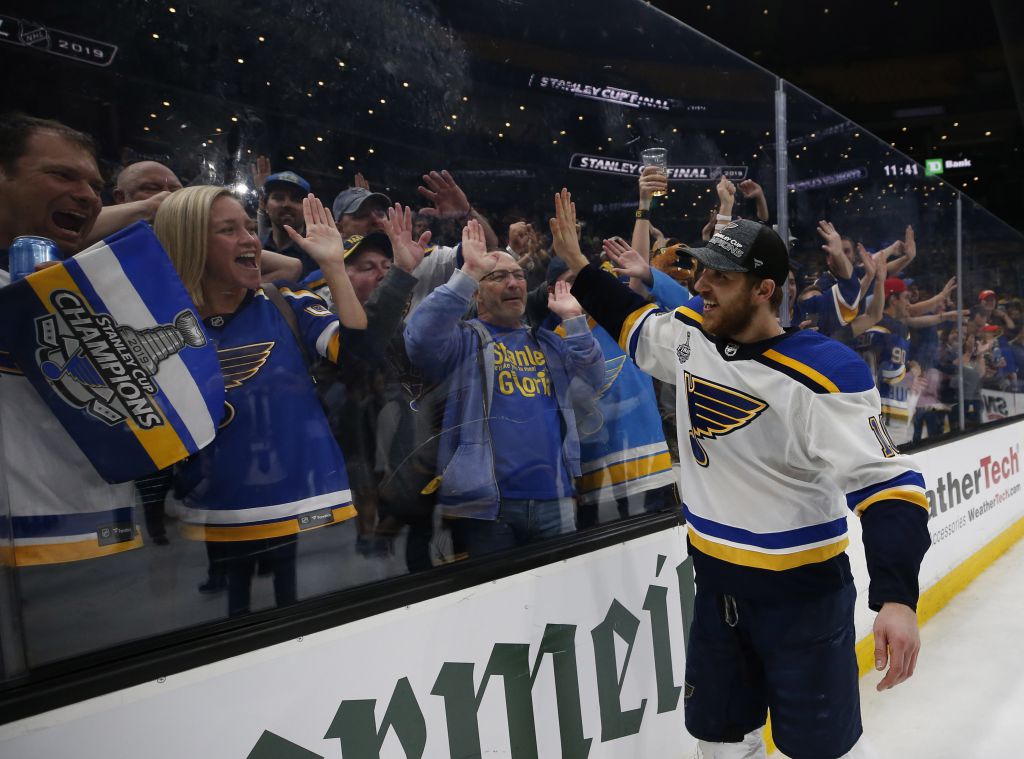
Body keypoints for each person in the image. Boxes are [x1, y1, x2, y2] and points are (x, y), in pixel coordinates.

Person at [550, 189, 929, 759]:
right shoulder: (691, 339)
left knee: (821, 748)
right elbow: (632, 319)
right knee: (720, 740)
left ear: (764, 289)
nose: (700, 285)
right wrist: (580, 267)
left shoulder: (824, 374)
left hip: (804, 597)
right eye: (701, 272)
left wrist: (896, 598)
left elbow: (890, 486)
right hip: (718, 591)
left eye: (719, 277)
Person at [153, 185, 366, 616]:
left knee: (289, 600)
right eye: (228, 230)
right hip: (209, 500)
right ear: (191, 242)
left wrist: (333, 267)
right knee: (235, 604)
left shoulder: (285, 301)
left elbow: (361, 355)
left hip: (294, 492)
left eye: (250, 228)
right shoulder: (159, 326)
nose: (250, 239)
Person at [403, 220, 603, 558]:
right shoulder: (463, 340)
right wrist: (467, 273)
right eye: (497, 277)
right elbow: (420, 338)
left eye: (519, 276)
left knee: (560, 602)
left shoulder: (548, 342)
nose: (513, 283)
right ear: (477, 292)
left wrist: (575, 321)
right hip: (486, 509)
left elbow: (591, 383)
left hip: (554, 498)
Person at [0, 112, 142, 565]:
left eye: (93, 185)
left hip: (113, 530)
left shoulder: (100, 291)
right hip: (20, 548)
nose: (85, 195)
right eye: (62, 174)